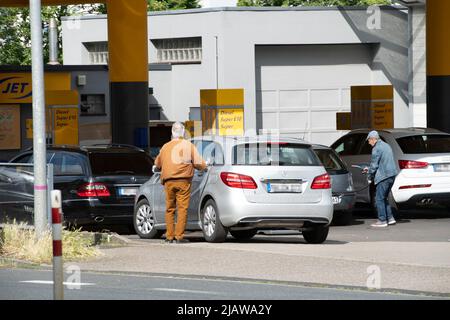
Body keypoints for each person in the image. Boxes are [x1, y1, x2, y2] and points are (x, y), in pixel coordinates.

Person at [155, 122, 207, 243]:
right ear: (183, 132)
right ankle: (179, 237)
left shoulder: (165, 147)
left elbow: (157, 164)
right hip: (183, 181)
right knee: (182, 208)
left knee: (169, 209)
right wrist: (205, 167)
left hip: (168, 182)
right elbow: (199, 163)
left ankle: (169, 237)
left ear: (172, 133)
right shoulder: (188, 146)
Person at [364, 130, 399, 228]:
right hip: (392, 175)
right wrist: (370, 169)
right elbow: (382, 162)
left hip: (384, 176)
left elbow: (374, 165)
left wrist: (369, 176)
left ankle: (382, 220)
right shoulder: (386, 145)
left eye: (369, 140)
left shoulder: (376, 148)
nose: (368, 142)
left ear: (373, 139)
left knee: (379, 198)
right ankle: (390, 218)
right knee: (384, 197)